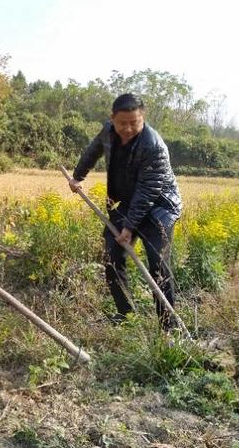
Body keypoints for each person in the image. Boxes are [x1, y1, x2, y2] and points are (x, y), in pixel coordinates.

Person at [68, 93, 182, 330]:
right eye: (123, 123)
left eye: (134, 123)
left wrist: (129, 227)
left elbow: (148, 190)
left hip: (159, 207)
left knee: (158, 265)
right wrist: (78, 177)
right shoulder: (108, 131)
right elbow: (93, 151)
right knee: (112, 253)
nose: (128, 128)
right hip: (128, 202)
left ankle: (167, 327)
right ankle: (126, 314)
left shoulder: (154, 146)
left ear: (143, 118)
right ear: (112, 118)